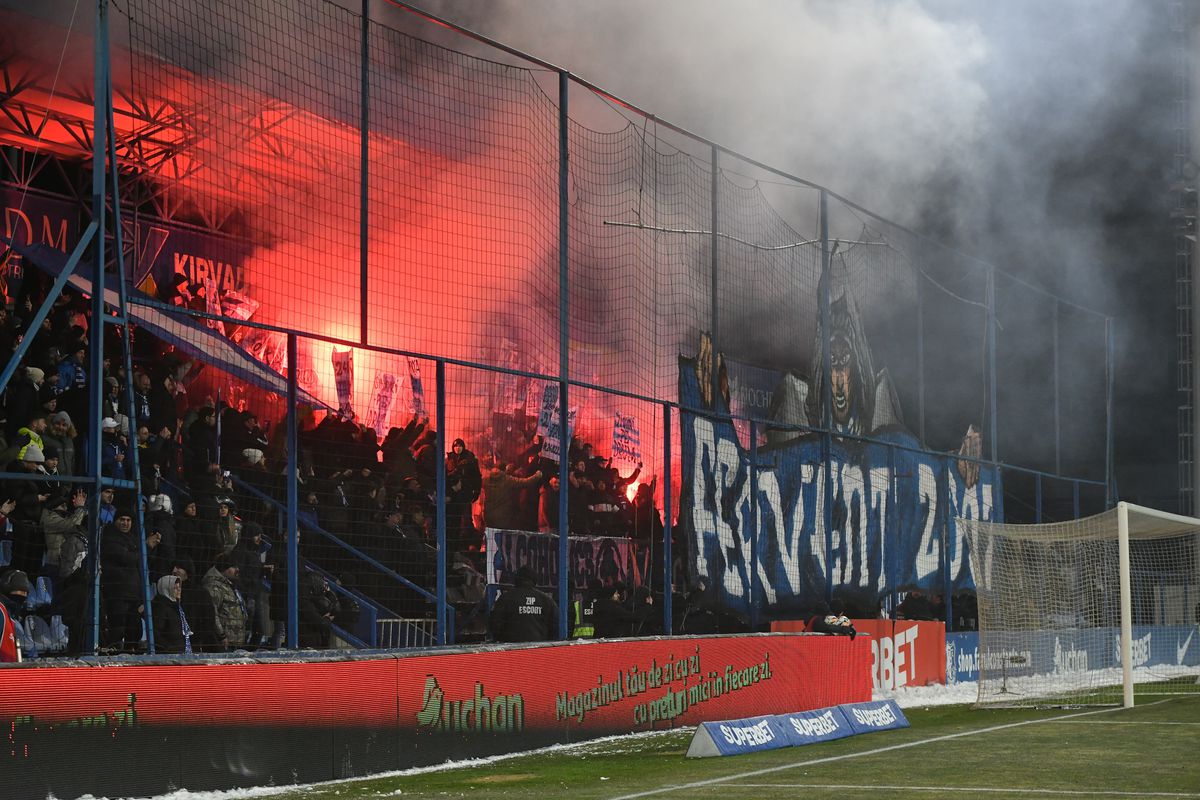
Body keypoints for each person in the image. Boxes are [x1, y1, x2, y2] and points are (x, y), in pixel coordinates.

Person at [488, 566, 558, 643]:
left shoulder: (506, 598)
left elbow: (495, 624)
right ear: (534, 579)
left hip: (511, 647)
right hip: (539, 647)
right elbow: (555, 625)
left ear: (516, 579)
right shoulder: (546, 600)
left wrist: (502, 639)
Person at [202, 553, 247, 651]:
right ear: (224, 568)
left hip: (233, 640)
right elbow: (213, 613)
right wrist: (221, 636)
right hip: (224, 642)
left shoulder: (229, 584)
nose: (237, 569)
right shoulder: (214, 586)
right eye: (233, 566)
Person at [151, 574, 193, 654]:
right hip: (169, 656)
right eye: (175, 588)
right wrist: (169, 649)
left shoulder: (177, 607)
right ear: (166, 589)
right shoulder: (161, 607)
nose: (179, 590)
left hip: (182, 653)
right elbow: (156, 632)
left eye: (179, 587)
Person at [0, 570, 31, 661]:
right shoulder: (1, 612)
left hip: (8, 672)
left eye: (25, 593)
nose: (22, 596)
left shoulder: (10, 614)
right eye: (18, 591)